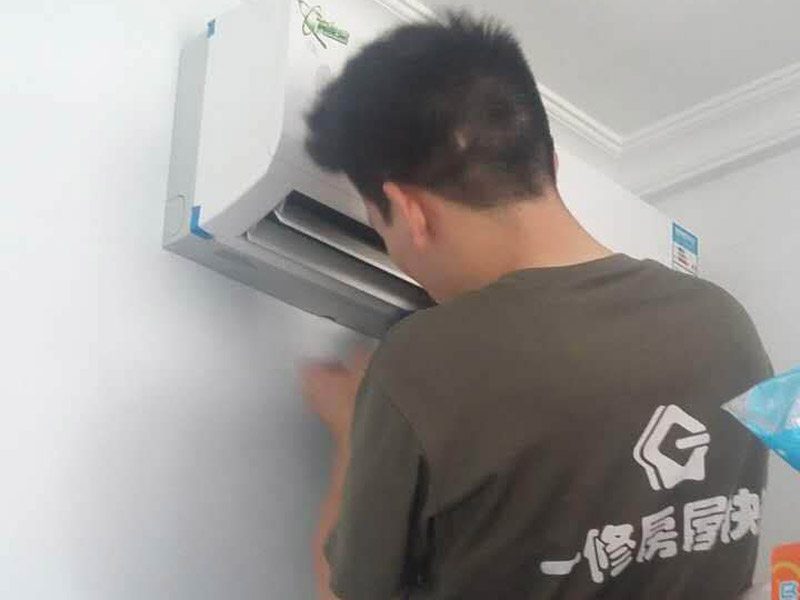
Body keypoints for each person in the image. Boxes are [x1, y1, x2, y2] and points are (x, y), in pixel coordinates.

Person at [300, 13, 771, 600]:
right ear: (550, 165)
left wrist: (352, 430)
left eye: (381, 227)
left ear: (410, 212)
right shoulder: (727, 323)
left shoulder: (421, 362)